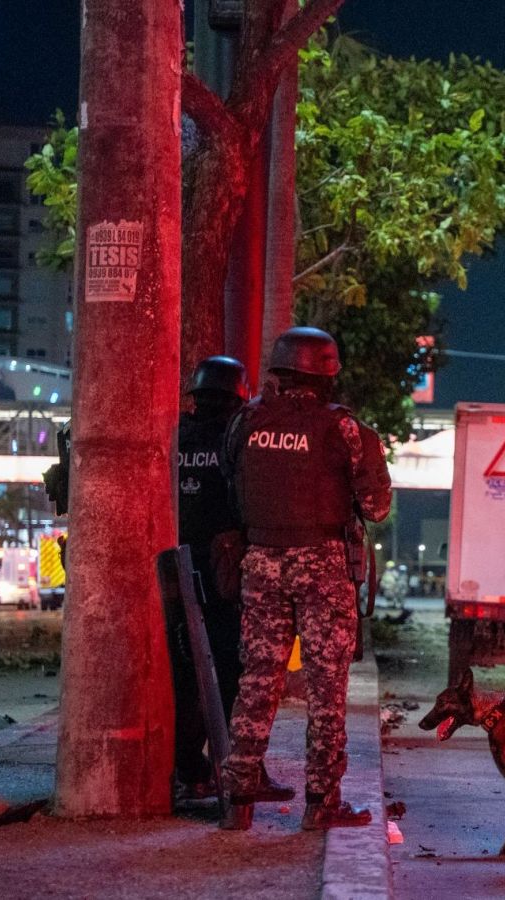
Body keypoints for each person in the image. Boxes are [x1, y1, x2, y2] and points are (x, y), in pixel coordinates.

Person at [218, 328, 392, 831]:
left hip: (262, 560)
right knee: (325, 687)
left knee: (257, 680)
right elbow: (377, 508)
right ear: (327, 374)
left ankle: (238, 803)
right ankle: (322, 804)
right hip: (321, 566)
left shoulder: (246, 421)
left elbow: (234, 485)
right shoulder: (344, 429)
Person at [170, 356, 294, 807]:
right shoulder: (238, 438)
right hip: (226, 576)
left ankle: (189, 769)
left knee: (181, 675)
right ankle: (241, 770)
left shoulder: (175, 436)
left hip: (173, 573)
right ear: (239, 395)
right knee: (235, 676)